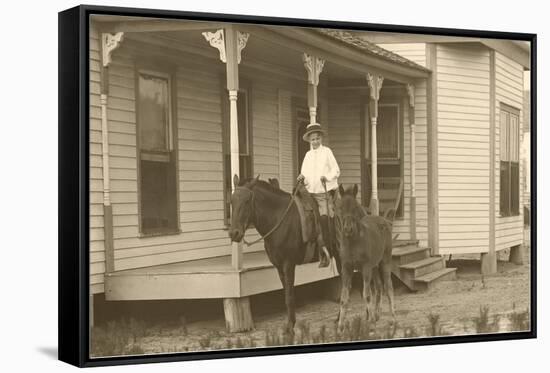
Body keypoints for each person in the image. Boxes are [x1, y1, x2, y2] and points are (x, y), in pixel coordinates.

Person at [297, 122, 340, 268]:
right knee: (301, 215)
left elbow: (336, 170)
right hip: (309, 192)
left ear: (321, 138)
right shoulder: (308, 155)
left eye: (317, 138)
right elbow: (305, 172)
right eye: (312, 139)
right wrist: (302, 177)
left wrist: (326, 177)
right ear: (309, 140)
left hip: (323, 193)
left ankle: (327, 248)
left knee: (324, 218)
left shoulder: (327, 152)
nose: (315, 141)